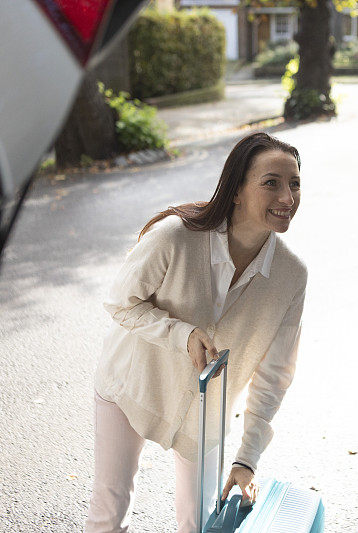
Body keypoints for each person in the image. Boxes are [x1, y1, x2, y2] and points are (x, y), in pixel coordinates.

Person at [84, 132, 308, 533]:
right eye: (271, 182)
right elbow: (121, 302)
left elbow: (274, 377)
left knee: (200, 525)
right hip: (132, 386)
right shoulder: (174, 235)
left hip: (206, 414)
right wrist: (181, 334)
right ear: (236, 190)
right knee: (108, 512)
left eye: (294, 184)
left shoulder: (292, 276)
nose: (287, 197)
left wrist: (246, 460)